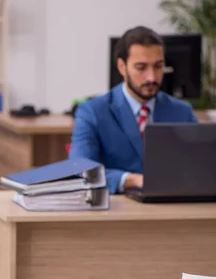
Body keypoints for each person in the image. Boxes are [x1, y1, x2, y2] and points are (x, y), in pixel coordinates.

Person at [69, 25, 198, 194]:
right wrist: (131, 180)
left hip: (172, 209)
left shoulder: (182, 112)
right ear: (122, 67)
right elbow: (80, 171)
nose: (151, 77)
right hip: (116, 211)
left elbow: (200, 166)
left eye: (158, 66)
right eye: (141, 68)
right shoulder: (93, 111)